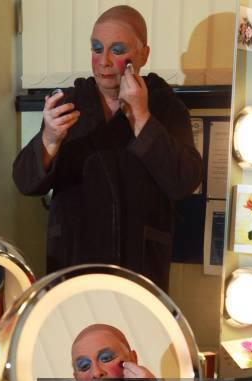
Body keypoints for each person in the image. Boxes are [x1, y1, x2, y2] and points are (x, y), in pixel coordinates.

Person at [13, 5, 203, 292]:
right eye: (96, 48)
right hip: (74, 263)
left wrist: (141, 118)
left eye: (116, 50)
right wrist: (49, 139)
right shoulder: (68, 106)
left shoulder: (165, 107)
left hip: (139, 266)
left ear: (143, 55)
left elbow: (184, 182)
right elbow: (25, 182)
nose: (103, 61)